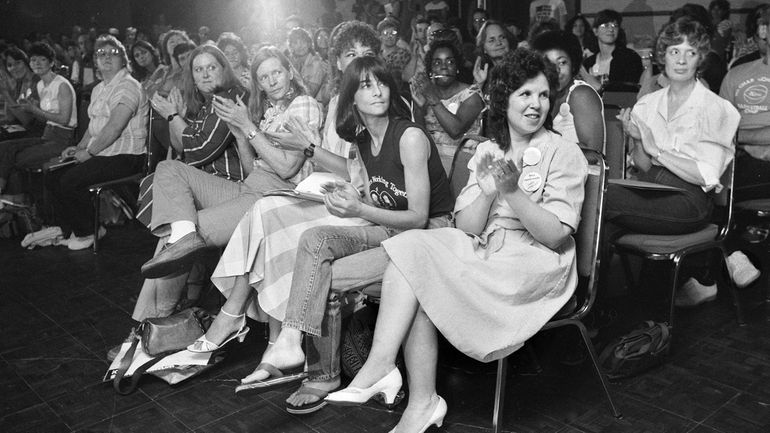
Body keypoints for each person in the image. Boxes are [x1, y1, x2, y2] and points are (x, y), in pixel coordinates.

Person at [325, 48, 588, 433]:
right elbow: (466, 227)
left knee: (421, 275)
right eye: (525, 95)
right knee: (413, 250)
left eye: (544, 95)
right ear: (504, 100)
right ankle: (389, 370)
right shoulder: (487, 149)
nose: (536, 105)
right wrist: (485, 193)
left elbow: (555, 235)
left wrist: (512, 192)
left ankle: (419, 399)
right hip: (486, 248)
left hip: (535, 261)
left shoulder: (564, 152)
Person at [193, 55, 453, 415]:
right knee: (314, 240)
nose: (377, 91)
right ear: (351, 98)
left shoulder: (408, 136)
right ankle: (289, 337)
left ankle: (323, 373)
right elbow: (352, 170)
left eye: (381, 82)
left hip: (429, 235)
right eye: (365, 85)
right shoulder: (365, 140)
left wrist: (358, 209)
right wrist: (310, 150)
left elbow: (420, 217)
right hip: (391, 231)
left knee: (324, 273)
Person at [139, 46, 322, 279]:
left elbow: (287, 169)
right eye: (264, 77)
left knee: (181, 232)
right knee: (168, 169)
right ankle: (181, 249)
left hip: (276, 195)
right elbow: (251, 171)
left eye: (277, 73)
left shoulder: (302, 103)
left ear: (290, 73)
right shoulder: (270, 112)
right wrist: (240, 136)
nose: (272, 81)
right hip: (250, 187)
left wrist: (248, 127)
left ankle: (154, 311)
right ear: (259, 84)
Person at [611, 18, 740, 307]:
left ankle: (599, 311)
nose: (681, 60)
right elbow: (645, 168)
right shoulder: (647, 103)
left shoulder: (717, 108)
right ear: (663, 56)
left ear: (700, 60)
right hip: (653, 191)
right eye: (674, 51)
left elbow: (706, 175)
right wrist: (635, 139)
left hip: (692, 202)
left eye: (690, 53)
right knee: (599, 205)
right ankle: (619, 309)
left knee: (598, 199)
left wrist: (656, 149)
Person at [44, 35, 148, 250]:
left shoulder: (128, 86)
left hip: (127, 155)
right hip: (103, 152)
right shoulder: (100, 88)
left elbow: (114, 127)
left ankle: (91, 232)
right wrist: (79, 147)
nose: (107, 57)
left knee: (69, 181)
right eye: (101, 54)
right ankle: (72, 228)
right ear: (95, 61)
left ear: (123, 59)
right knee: (53, 174)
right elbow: (94, 127)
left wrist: (89, 153)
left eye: (113, 53)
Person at [719, 7, 770, 289]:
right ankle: (732, 255)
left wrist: (741, 137)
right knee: (704, 184)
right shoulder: (736, 74)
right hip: (741, 159)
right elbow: (720, 130)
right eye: (762, 29)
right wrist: (750, 141)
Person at [0, 42, 76, 196]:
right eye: (34, 60)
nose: (37, 63)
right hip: (46, 135)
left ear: (51, 62)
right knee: (4, 147)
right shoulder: (41, 85)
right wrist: (27, 107)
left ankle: (17, 199)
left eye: (42, 59)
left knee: (17, 158)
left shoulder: (61, 85)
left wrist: (34, 110)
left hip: (62, 139)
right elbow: (39, 116)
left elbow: (64, 119)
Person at [410, 39, 484, 170]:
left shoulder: (471, 95)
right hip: (432, 163)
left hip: (464, 166)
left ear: (457, 68)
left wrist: (432, 99)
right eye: (437, 62)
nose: (444, 67)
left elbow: (455, 130)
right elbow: (420, 135)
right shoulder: (427, 92)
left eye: (450, 62)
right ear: (431, 70)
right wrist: (420, 109)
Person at [532, 30, 605, 152]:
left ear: (573, 64)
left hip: (583, 170)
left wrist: (542, 149)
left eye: (562, 62)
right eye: (548, 64)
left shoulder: (581, 94)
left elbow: (593, 153)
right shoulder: (545, 95)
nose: (556, 70)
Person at [583, 9, 644, 91]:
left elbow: (629, 92)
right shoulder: (588, 62)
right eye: (606, 25)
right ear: (595, 31)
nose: (611, 29)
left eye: (615, 25)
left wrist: (589, 79)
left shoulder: (629, 58)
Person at [472, 20, 515, 91]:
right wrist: (479, 84)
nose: (499, 43)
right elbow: (473, 101)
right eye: (492, 40)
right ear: (483, 48)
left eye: (502, 37)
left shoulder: (520, 70)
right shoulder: (482, 74)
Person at [1, 47, 38, 128]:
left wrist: (5, 93)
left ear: (26, 62)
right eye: (10, 65)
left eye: (18, 63)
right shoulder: (19, 83)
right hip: (21, 129)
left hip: (38, 132)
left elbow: (28, 121)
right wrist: (6, 88)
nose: (14, 68)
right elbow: (10, 118)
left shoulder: (37, 82)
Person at [287, 27, 328, 99]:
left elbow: (310, 94)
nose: (300, 46)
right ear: (291, 47)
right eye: (295, 43)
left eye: (303, 41)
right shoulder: (295, 64)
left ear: (309, 43)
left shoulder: (316, 63)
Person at [378, 17, 410, 92]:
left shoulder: (403, 54)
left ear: (398, 36)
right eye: (385, 33)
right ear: (380, 37)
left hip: (397, 94)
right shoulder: (377, 55)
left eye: (393, 33)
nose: (389, 36)